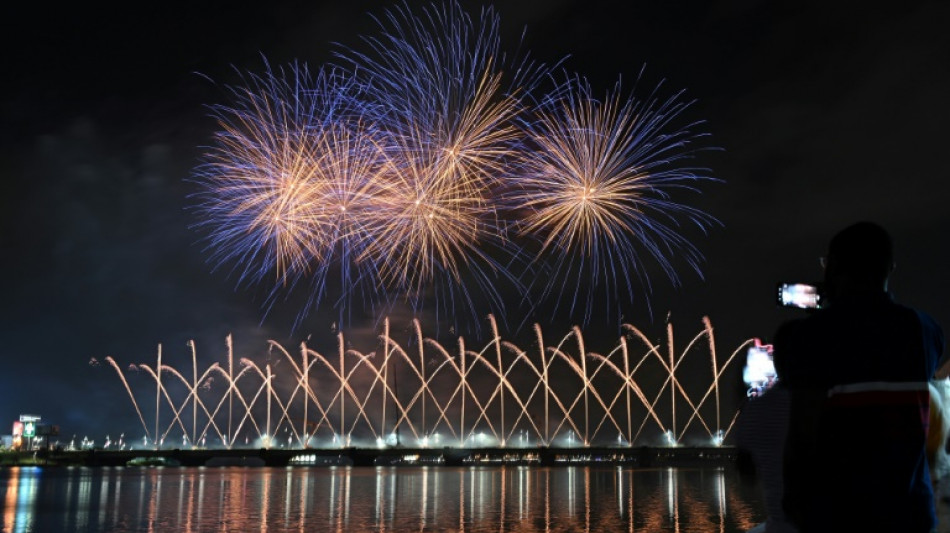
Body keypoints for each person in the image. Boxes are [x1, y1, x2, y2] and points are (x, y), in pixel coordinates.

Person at [772, 221, 945, 533]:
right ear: (890, 268)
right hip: (911, 514)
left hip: (840, 516)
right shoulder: (925, 330)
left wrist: (796, 505)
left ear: (832, 267)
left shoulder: (808, 336)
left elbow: (802, 435)